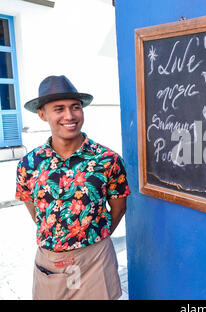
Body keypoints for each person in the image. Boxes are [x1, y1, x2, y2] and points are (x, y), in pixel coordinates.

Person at [15, 75, 130, 300]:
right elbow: (35, 209)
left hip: (96, 260)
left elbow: (119, 207)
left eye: (75, 107)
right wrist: (59, 235)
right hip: (51, 263)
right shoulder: (28, 164)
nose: (69, 116)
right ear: (42, 114)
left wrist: (92, 237)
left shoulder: (107, 159)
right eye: (59, 109)